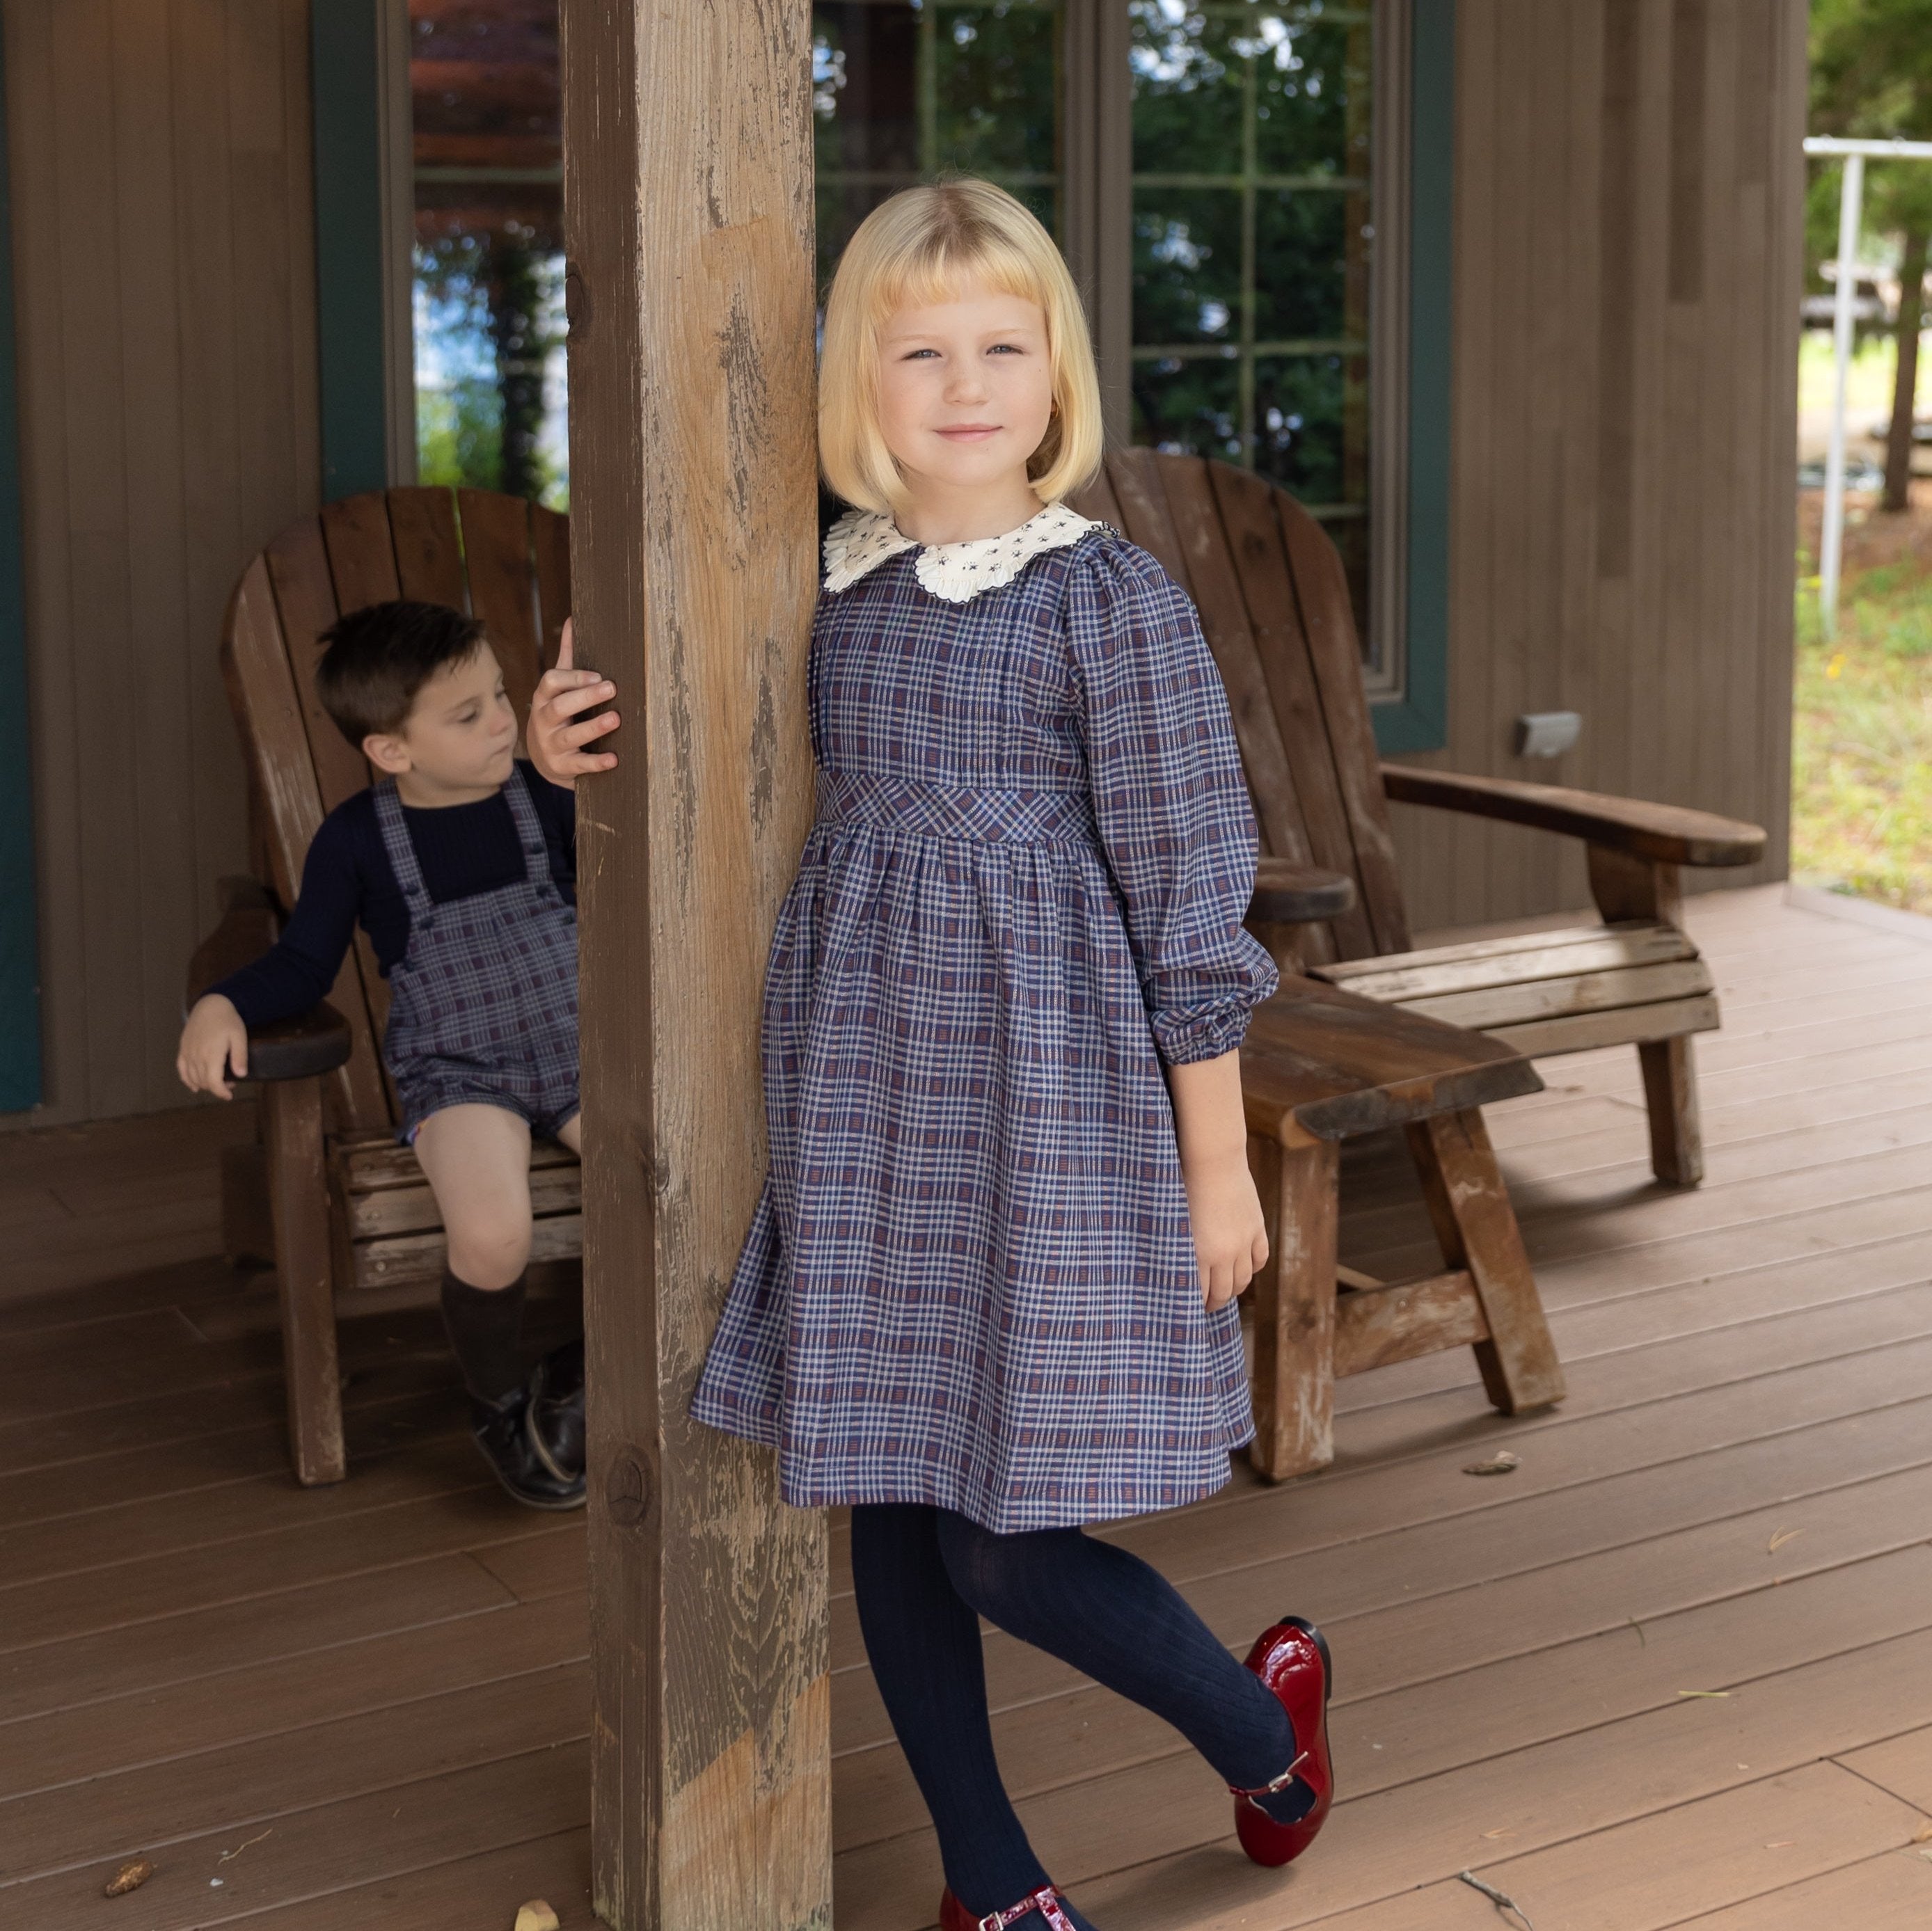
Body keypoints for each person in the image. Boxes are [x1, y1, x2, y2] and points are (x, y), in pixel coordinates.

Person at [528, 178, 1333, 1930]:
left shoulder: (1102, 603)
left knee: (1002, 1531)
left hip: (1053, 1107)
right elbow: (686, 734)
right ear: (856, 382)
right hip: (866, 1098)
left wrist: (1218, 1159)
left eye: (1001, 341)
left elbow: (1188, 893)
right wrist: (565, 730)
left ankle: (1255, 1723)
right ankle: (991, 1880)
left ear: (1055, 369)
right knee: (886, 1488)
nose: (963, 383)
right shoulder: (819, 576)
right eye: (917, 349)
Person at [177, 601, 588, 1511]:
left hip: (581, 1053)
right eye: (468, 713)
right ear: (392, 751)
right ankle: (498, 1402)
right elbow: (301, 963)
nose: (501, 720)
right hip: (461, 1073)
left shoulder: (548, 796)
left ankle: (589, 1365)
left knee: (674, 1179)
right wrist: (220, 1003)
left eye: (499, 695)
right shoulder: (358, 840)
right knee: (491, 1233)